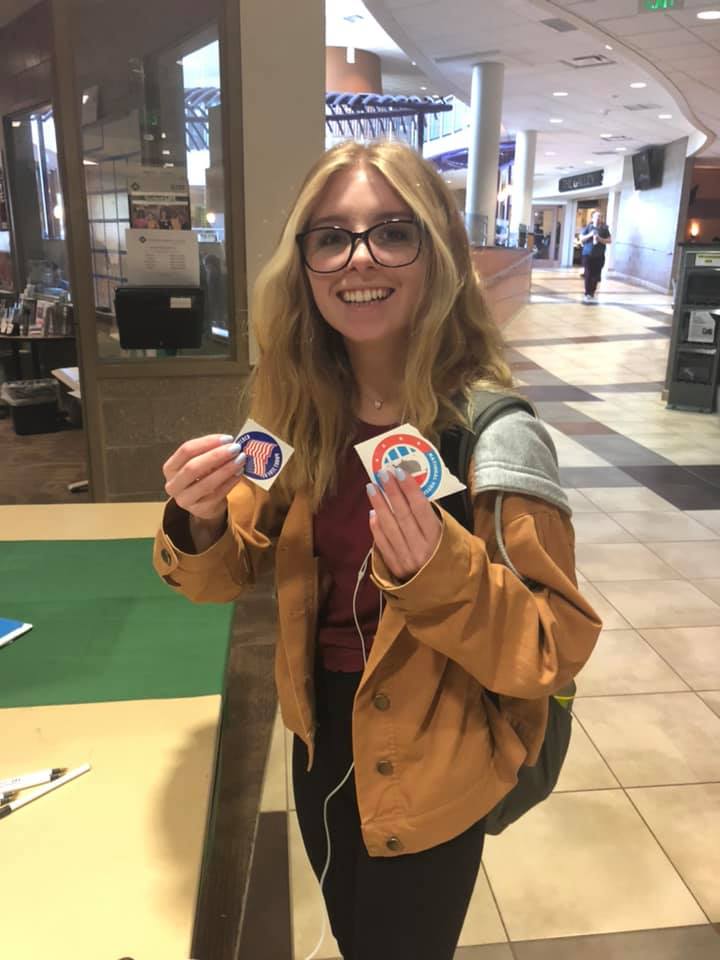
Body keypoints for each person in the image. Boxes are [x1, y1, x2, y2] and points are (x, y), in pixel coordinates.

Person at [153, 140, 600, 960]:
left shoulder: (493, 436)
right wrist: (200, 518)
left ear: (439, 254)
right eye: (330, 236)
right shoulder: (296, 414)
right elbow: (221, 576)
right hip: (319, 735)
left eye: (392, 231)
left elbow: (554, 647)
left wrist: (442, 575)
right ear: (305, 265)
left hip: (435, 756)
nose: (358, 258)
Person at [579, 209, 611, 303]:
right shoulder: (588, 227)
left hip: (599, 255)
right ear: (592, 218)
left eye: (600, 217)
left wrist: (599, 238)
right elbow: (581, 239)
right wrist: (590, 235)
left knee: (596, 275)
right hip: (587, 255)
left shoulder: (604, 229)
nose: (598, 218)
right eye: (596, 217)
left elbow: (609, 240)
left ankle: (592, 292)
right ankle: (587, 293)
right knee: (588, 273)